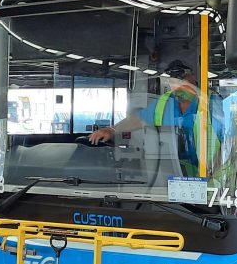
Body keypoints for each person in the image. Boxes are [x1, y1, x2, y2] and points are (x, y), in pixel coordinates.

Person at [89, 59, 223, 177]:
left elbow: (230, 140)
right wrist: (112, 130)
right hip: (174, 176)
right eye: (173, 82)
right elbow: (140, 119)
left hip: (209, 178)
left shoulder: (211, 101)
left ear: (193, 78)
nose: (178, 86)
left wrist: (216, 172)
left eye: (182, 80)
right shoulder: (165, 102)